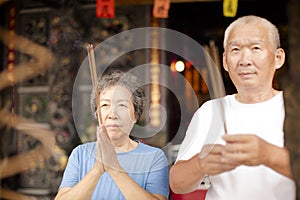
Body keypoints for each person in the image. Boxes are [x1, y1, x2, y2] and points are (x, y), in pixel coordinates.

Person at [169, 15, 296, 200]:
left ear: (278, 58)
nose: (245, 60)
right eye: (235, 50)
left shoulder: (293, 109)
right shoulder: (210, 111)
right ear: (225, 61)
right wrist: (201, 164)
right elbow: (177, 184)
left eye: (255, 48)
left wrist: (267, 154)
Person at [55, 70, 169, 200]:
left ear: (135, 115)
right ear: (97, 115)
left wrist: (114, 168)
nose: (112, 114)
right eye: (104, 105)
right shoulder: (80, 154)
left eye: (122, 105)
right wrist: (97, 170)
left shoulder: (154, 157)